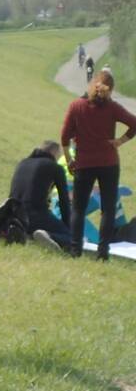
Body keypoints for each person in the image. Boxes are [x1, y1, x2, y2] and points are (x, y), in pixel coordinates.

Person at [60, 70, 136, 259]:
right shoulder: (112, 108)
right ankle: (103, 253)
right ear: (110, 90)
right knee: (108, 210)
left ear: (92, 84)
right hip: (109, 163)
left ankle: (75, 250)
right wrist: (119, 141)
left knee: (78, 208)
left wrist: (69, 160)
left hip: (84, 164)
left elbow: (64, 137)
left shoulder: (76, 106)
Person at [9, 140, 71, 251]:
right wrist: (68, 227)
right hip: (35, 214)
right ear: (54, 153)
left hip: (13, 214)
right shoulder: (55, 168)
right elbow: (64, 201)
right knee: (72, 238)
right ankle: (47, 235)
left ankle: (26, 233)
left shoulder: (23, 163)